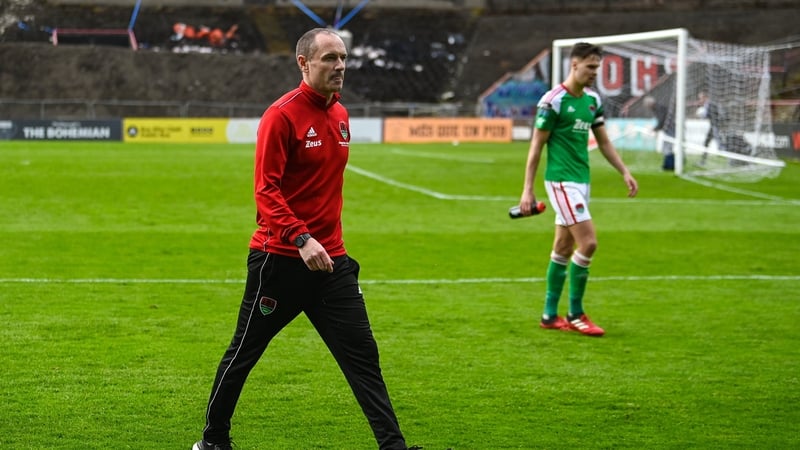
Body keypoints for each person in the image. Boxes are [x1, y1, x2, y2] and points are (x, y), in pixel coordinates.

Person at [192, 28, 414, 450]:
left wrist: (322, 244)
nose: (340, 65)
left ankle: (393, 446)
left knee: (363, 359)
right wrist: (301, 238)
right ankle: (213, 441)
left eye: (343, 57)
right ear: (304, 63)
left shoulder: (341, 114)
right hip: (279, 261)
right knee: (244, 353)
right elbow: (266, 191)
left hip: (332, 264)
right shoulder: (281, 115)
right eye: (330, 58)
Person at [517, 42, 639, 337]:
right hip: (561, 181)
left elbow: (604, 141)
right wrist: (527, 190)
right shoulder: (553, 101)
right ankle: (575, 314)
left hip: (582, 181)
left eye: (597, 67)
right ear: (574, 65)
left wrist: (624, 171)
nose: (595, 72)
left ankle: (549, 315)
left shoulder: (592, 100)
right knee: (589, 243)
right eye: (590, 67)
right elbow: (536, 146)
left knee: (562, 248)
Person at [643, 95, 675, 171]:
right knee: (666, 147)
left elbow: (662, 120)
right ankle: (668, 165)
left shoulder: (659, 108)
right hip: (669, 129)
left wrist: (655, 129)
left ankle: (670, 165)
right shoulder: (658, 108)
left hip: (670, 129)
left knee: (667, 147)